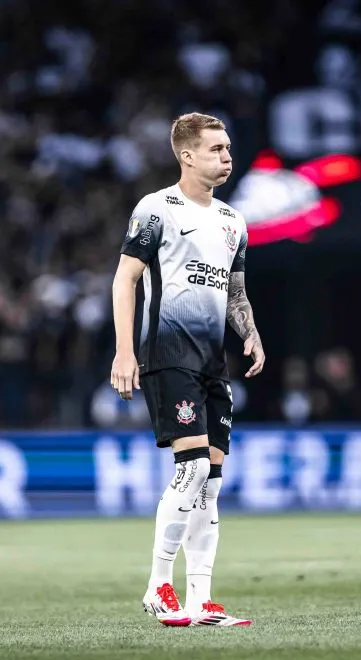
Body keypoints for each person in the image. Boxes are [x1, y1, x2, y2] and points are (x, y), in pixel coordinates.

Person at [110, 112, 264, 627]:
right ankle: (158, 586)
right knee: (192, 467)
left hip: (211, 363)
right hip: (167, 352)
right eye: (217, 149)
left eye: (227, 148)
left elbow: (234, 289)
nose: (227, 157)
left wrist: (250, 330)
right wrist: (124, 351)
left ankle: (201, 600)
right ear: (187, 155)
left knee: (212, 480)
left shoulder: (232, 221)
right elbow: (124, 279)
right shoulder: (157, 209)